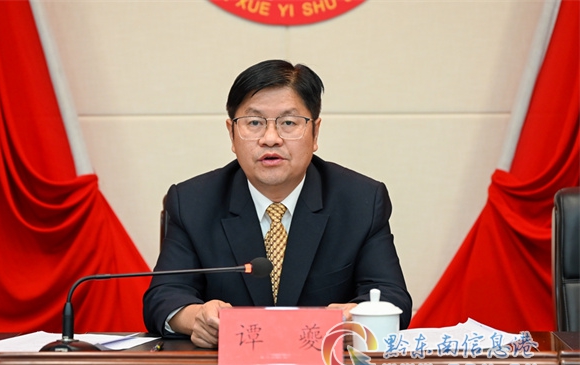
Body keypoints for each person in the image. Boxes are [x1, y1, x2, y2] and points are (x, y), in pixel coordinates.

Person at [143, 59, 412, 348]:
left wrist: (356, 316)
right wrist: (196, 317)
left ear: (315, 132)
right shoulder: (193, 201)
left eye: (288, 123)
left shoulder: (360, 200)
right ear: (231, 134)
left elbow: (391, 296)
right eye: (254, 123)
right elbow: (163, 297)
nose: (270, 139)